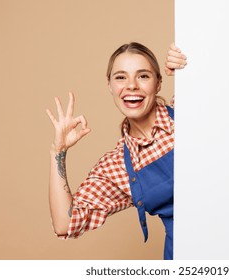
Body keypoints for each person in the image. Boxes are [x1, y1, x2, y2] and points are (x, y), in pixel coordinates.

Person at [46, 42, 187, 260]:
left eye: (143, 76)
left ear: (159, 82)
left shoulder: (188, 109)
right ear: (109, 85)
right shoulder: (117, 166)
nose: (131, 85)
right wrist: (58, 151)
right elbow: (65, 223)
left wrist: (190, 66)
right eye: (121, 77)